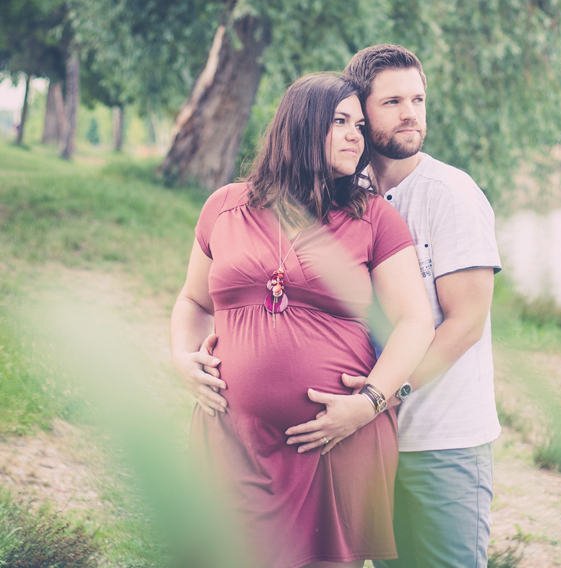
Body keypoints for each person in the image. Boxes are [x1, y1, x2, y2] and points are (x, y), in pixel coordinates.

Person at [170, 72, 435, 568]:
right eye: (340, 122)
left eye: (359, 123)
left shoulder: (374, 217)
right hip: (233, 436)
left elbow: (416, 322)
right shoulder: (225, 207)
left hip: (334, 442)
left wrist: (370, 403)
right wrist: (183, 360)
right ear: (301, 126)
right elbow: (192, 301)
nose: (357, 135)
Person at [339, 45, 502, 568]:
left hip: (445, 442)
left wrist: (385, 395)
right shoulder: (349, 197)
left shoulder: (450, 193)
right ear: (361, 113)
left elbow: (467, 323)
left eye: (418, 99)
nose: (411, 113)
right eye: (393, 102)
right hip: (373, 442)